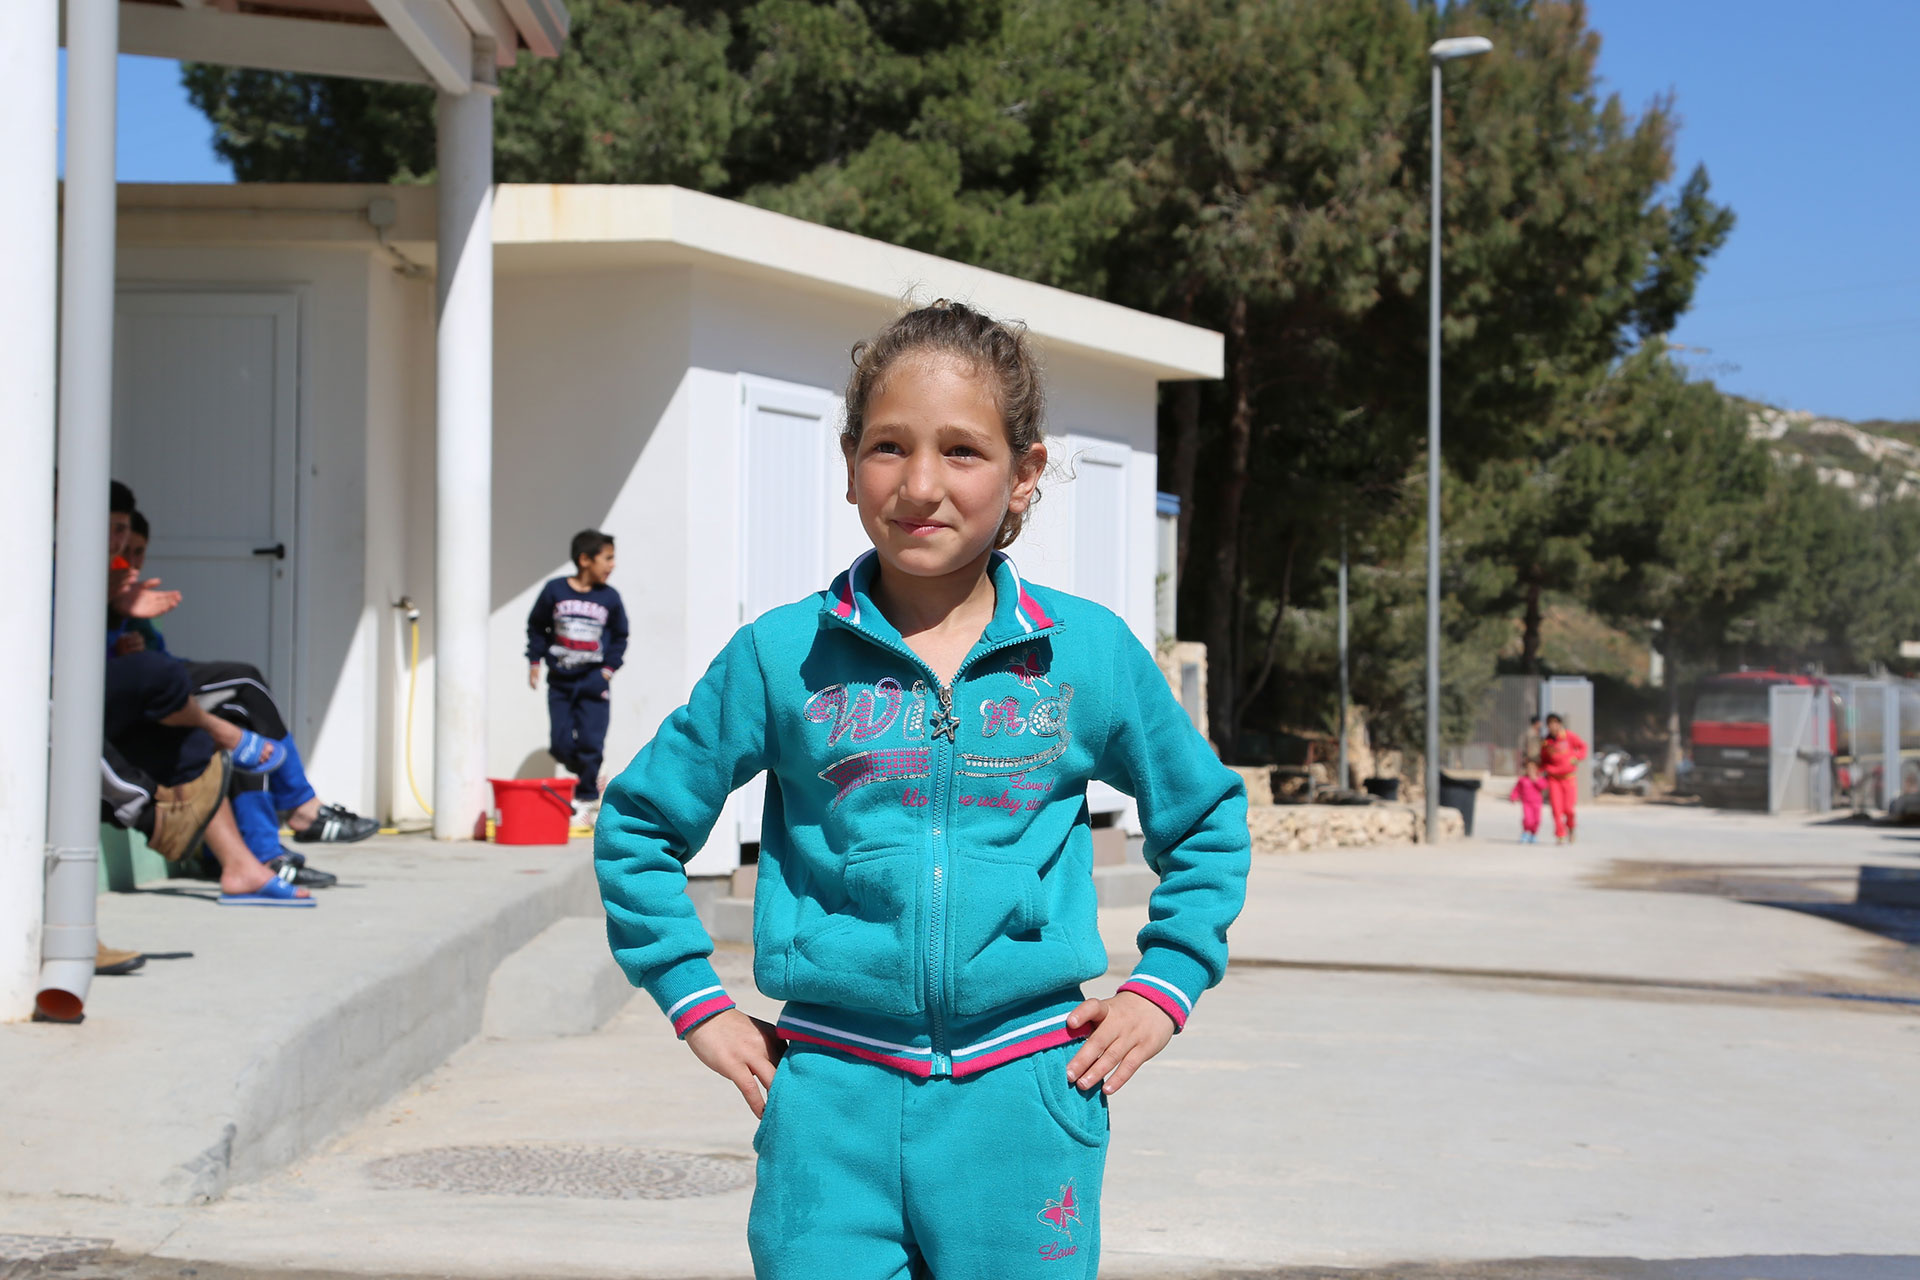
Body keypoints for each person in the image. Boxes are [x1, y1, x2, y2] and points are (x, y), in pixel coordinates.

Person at [595, 301, 1250, 1278]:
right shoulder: (781, 656)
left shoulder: (1087, 655)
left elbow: (1207, 820)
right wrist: (696, 999)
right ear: (850, 461)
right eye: (890, 446)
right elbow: (639, 823)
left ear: (1024, 473)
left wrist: (1165, 985)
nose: (921, 484)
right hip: (826, 1108)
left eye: (963, 450)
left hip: (1027, 1103)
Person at [527, 530, 627, 821]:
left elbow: (620, 635)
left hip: (594, 681)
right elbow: (537, 627)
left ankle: (587, 798)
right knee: (560, 745)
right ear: (585, 560)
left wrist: (607, 671)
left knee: (591, 743)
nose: (612, 565)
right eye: (607, 558)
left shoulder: (610, 598)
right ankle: (590, 772)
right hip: (560, 680)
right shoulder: (555, 591)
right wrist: (534, 661)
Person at [1539, 712, 1588, 844]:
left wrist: (1577, 757)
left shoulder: (1569, 736)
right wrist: (1540, 770)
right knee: (1556, 808)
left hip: (1569, 778)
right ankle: (1560, 834)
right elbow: (1543, 759)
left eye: (1555, 723)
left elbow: (1583, 747)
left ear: (1560, 724)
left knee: (1569, 809)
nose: (1553, 726)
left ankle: (1571, 827)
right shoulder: (1546, 742)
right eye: (1550, 723)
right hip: (1554, 779)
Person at [1508, 761, 1546, 844]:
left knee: (1537, 820)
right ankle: (1525, 832)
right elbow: (1517, 789)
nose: (1531, 771)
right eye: (1529, 769)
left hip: (1537, 803)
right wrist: (1513, 797)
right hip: (1527, 803)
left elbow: (1543, 786)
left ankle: (1533, 834)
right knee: (1528, 819)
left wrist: (1535, 780)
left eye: (1533, 769)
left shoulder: (1539, 779)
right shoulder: (1522, 780)